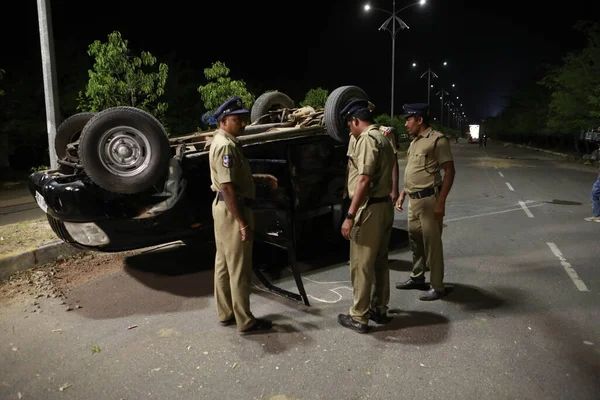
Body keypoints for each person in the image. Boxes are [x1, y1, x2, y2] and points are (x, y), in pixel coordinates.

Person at [209, 96, 278, 334]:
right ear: (224, 120)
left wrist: (260, 178)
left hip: (221, 208)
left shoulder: (220, 140)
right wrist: (242, 222)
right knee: (238, 267)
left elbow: (233, 180)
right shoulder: (226, 146)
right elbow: (228, 187)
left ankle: (226, 313)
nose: (243, 124)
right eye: (238, 120)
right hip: (231, 209)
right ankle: (245, 320)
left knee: (223, 264)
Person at [338, 99, 396, 333]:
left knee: (361, 264)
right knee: (380, 262)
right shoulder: (383, 137)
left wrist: (350, 215)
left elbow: (364, 179)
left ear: (355, 120)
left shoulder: (366, 140)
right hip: (384, 208)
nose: (349, 130)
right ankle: (379, 309)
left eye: (349, 125)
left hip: (369, 209)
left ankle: (359, 317)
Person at [395, 103, 456, 301]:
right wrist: (403, 193)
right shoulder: (415, 142)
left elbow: (449, 172)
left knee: (433, 245)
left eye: (408, 119)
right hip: (414, 200)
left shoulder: (437, 140)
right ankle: (418, 277)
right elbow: (415, 172)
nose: (405, 124)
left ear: (419, 120)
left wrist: (440, 203)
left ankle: (438, 286)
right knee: (416, 241)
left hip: (430, 200)